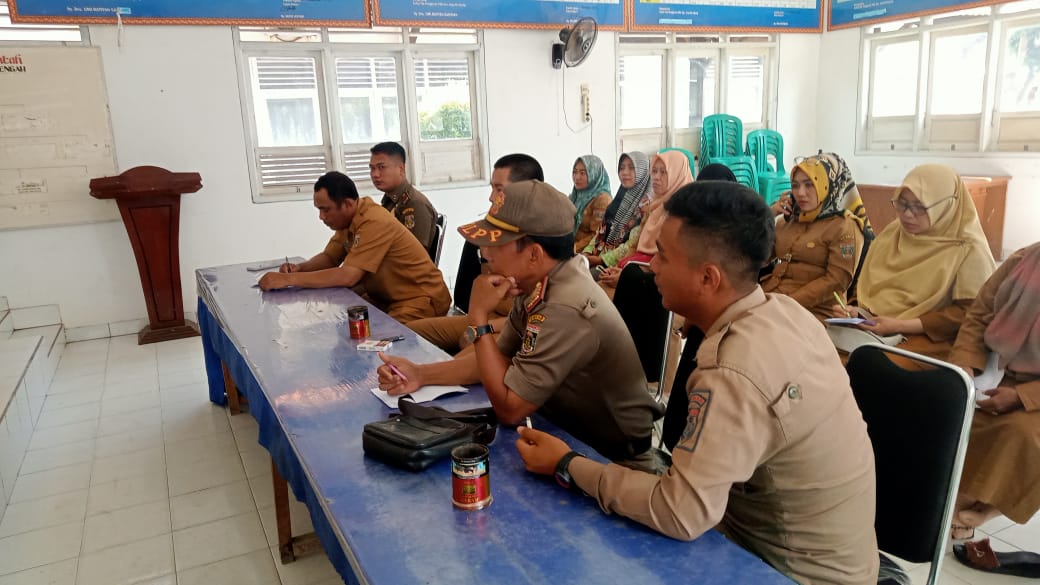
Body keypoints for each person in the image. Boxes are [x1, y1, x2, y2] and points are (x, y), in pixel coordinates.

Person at [515, 181, 880, 585]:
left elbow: (681, 512)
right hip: (813, 554)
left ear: (708, 278)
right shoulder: (785, 312)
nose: (651, 265)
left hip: (787, 572)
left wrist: (567, 464)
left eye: (665, 257)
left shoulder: (733, 370)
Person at [377, 180, 663, 470]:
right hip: (565, 435)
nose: (485, 253)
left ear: (534, 254)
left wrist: (479, 317)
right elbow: (495, 359)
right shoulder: (537, 284)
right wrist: (420, 375)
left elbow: (510, 408)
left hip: (612, 460)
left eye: (495, 245)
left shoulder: (565, 306)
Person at [833, 164, 995, 362]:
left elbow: (969, 315)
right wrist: (856, 312)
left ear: (947, 205)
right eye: (902, 204)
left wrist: (900, 325)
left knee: (864, 368)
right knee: (819, 354)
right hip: (876, 330)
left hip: (928, 339)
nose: (907, 214)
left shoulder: (967, 249)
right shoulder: (892, 235)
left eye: (919, 206)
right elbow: (867, 289)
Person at [258, 171, 451, 324]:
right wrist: (300, 268)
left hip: (419, 300)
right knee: (341, 322)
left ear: (348, 204)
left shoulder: (374, 221)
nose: (321, 217)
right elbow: (330, 257)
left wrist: (288, 279)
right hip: (386, 297)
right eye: (319, 210)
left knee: (378, 344)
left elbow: (348, 276)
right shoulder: (350, 219)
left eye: (326, 209)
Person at [946, 242, 1040, 543]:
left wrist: (1021, 396)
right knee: (952, 412)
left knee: (1020, 434)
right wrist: (965, 367)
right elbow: (978, 315)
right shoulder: (1024, 258)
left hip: (1033, 390)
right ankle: (967, 510)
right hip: (993, 369)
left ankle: (963, 509)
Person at [407, 154, 545, 354]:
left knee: (467, 356)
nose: (491, 197)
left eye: (499, 189)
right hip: (490, 316)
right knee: (408, 333)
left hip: (512, 326)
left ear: (526, 191)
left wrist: (481, 329)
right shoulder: (497, 227)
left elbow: (533, 319)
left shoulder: (543, 237)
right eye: (492, 188)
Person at [761, 152, 867, 320]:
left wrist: (787, 302)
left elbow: (836, 280)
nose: (800, 193)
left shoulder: (844, 226)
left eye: (809, 185)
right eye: (795, 185)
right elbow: (761, 258)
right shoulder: (786, 221)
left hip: (816, 311)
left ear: (828, 185)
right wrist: (769, 215)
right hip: (772, 298)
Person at [598, 150, 693, 290]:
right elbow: (637, 248)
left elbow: (672, 267)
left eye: (663, 172)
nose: (656, 177)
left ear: (677, 176)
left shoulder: (683, 214)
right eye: (654, 171)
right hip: (637, 269)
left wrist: (627, 276)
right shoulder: (654, 207)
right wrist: (624, 270)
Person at [582, 152, 652, 271]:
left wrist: (602, 260)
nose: (624, 172)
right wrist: (587, 253)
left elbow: (631, 245)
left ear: (642, 172)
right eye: (621, 168)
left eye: (631, 168)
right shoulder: (619, 199)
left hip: (620, 267)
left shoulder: (646, 208)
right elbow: (602, 230)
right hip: (599, 256)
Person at [369, 141, 438, 251]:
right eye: (372, 168)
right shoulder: (391, 201)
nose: (375, 174)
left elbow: (413, 255)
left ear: (401, 169)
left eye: (381, 167)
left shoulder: (414, 204)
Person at [569, 155, 612, 253]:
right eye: (574, 172)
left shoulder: (602, 199)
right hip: (571, 246)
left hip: (586, 253)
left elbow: (596, 235)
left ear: (594, 174)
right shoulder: (576, 196)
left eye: (583, 173)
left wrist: (572, 249)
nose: (577, 177)